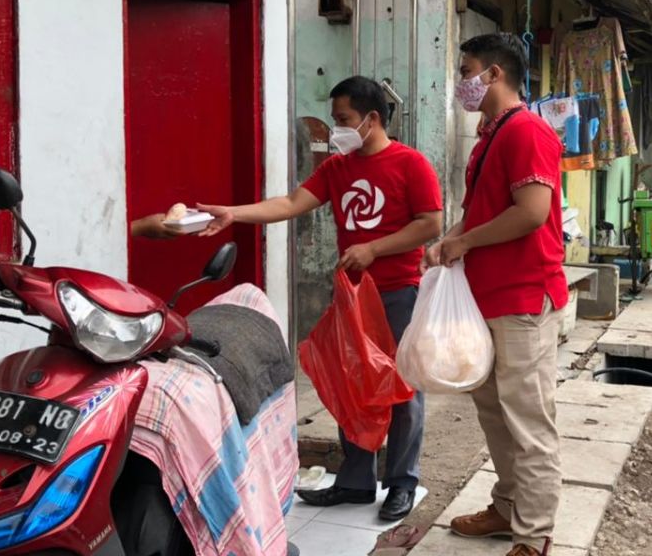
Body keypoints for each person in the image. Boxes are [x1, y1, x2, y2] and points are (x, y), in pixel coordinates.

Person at [132, 76, 442, 522]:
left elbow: (431, 224)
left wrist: (375, 248)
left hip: (397, 293)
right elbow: (292, 202)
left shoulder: (410, 164)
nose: (336, 129)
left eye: (343, 120)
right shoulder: (338, 169)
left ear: (372, 120)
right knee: (352, 385)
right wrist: (233, 214)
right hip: (352, 294)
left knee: (401, 387)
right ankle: (356, 480)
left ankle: (401, 483)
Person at [428, 33, 568, 556]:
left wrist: (464, 240)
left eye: (466, 69)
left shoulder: (526, 131)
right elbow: (485, 210)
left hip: (524, 297)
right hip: (488, 296)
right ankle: (508, 508)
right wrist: (452, 242)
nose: (461, 81)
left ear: (493, 75)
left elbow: (531, 212)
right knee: (494, 412)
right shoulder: (492, 134)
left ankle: (534, 537)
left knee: (528, 421)